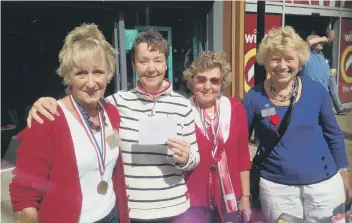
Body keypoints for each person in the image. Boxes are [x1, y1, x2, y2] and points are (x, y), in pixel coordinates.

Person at [25, 29, 200, 222]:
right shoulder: (115, 104)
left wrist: (185, 159)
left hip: (173, 207)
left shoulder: (183, 105)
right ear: (134, 65)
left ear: (166, 63)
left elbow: (194, 158)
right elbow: (83, 101)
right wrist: (44, 102)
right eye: (143, 61)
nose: (151, 68)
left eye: (157, 60)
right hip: (133, 211)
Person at [9, 24, 129, 223]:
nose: (91, 83)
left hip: (111, 214)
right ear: (68, 76)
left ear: (108, 74)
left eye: (98, 72)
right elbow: (24, 197)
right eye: (81, 73)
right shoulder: (48, 119)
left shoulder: (111, 113)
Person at [242, 26, 352, 222]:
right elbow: (240, 145)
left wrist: (344, 172)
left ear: (300, 61)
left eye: (289, 59)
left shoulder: (316, 91)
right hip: (277, 188)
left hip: (324, 185)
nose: (282, 65)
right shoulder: (253, 98)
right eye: (275, 59)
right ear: (265, 62)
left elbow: (333, 134)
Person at [177, 51, 252, 222]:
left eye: (214, 81)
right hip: (193, 200)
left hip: (230, 199)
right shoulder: (182, 111)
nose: (207, 86)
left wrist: (246, 197)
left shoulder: (235, 108)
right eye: (201, 79)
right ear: (192, 81)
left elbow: (243, 156)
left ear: (222, 83)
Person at [322, 28, 351, 115]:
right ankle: (339, 108)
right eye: (333, 34)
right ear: (329, 34)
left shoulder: (328, 43)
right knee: (333, 89)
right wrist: (330, 69)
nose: (334, 36)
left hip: (328, 69)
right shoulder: (327, 44)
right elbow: (326, 58)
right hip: (327, 69)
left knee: (330, 89)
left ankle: (338, 108)